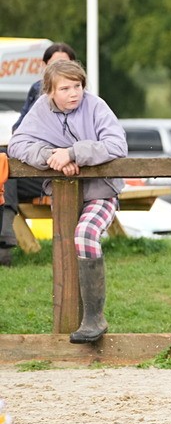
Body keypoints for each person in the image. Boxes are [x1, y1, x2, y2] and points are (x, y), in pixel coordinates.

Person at [8, 60, 127, 342]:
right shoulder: (40, 110)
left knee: (85, 234)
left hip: (101, 190)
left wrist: (73, 153)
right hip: (62, 193)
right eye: (65, 88)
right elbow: (17, 144)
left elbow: (117, 145)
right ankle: (70, 320)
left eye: (78, 86)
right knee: (64, 245)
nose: (74, 92)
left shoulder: (96, 106)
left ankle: (94, 318)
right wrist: (52, 156)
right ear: (49, 91)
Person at [0, 42, 78, 266]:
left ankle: (4, 239)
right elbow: (19, 131)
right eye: (55, 65)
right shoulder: (37, 90)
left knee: (5, 169)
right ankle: (4, 238)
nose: (60, 70)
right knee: (4, 165)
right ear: (44, 67)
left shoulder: (78, 96)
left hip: (64, 171)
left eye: (65, 64)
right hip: (36, 166)